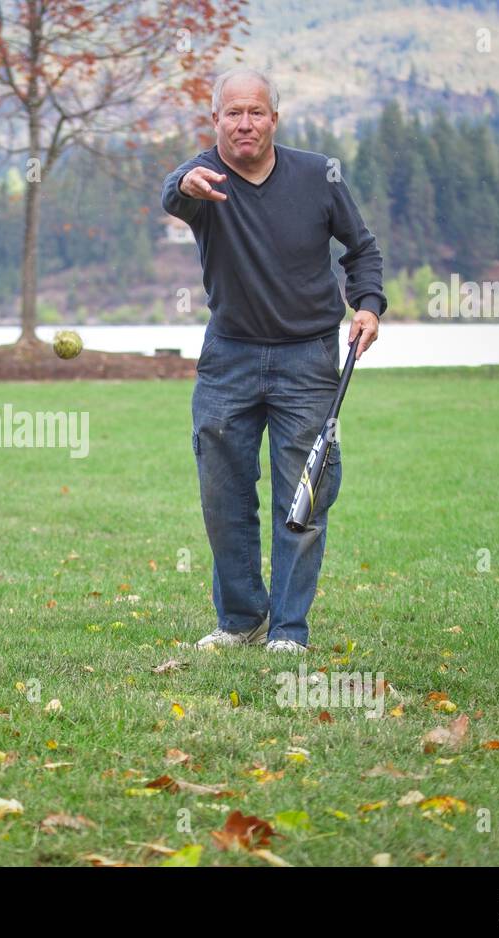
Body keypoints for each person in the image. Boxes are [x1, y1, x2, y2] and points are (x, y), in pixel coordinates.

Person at [160, 68, 385, 653]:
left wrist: (367, 305)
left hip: (308, 359)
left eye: (255, 112)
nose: (244, 123)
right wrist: (186, 183)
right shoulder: (204, 180)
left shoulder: (318, 174)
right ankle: (240, 620)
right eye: (232, 113)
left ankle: (288, 629)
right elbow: (172, 188)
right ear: (215, 122)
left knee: (304, 498)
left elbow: (360, 249)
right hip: (227, 357)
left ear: (274, 119)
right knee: (222, 496)